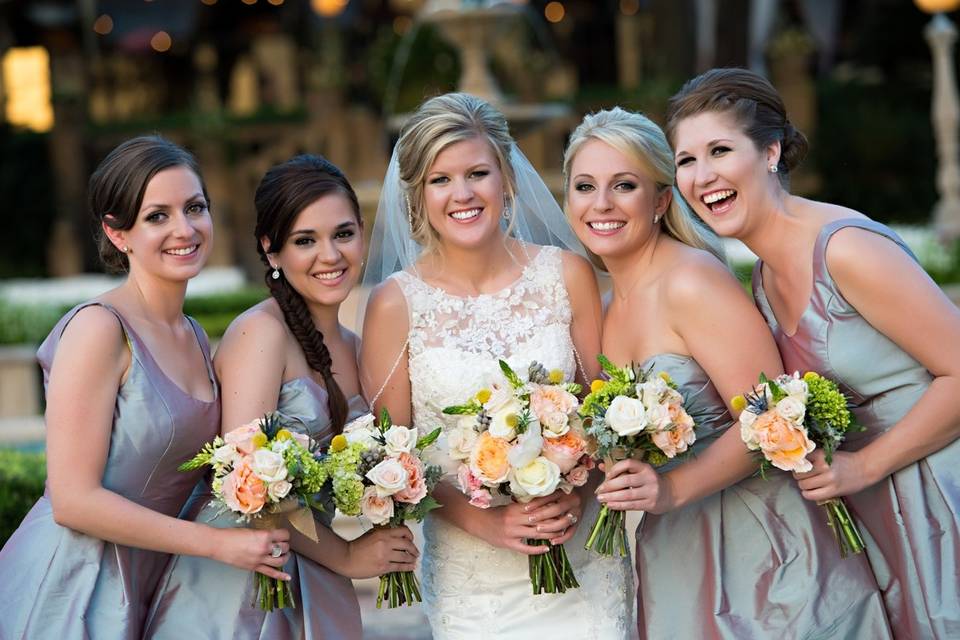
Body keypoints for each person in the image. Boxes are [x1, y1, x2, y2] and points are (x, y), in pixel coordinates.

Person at [567, 107, 891, 639]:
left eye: (623, 185)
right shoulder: (603, 308)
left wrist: (671, 491)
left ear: (661, 200)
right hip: (675, 549)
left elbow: (773, 419)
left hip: (761, 551)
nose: (601, 204)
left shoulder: (691, 281)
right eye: (584, 186)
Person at [667, 67, 960, 639]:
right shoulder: (759, 280)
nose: (703, 176)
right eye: (686, 160)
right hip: (871, 511)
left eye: (720, 150)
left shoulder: (846, 250)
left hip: (937, 498)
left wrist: (864, 465)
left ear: (771, 151)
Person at [360, 93, 634, 639]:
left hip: (581, 559)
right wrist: (486, 519)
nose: (462, 194)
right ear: (418, 192)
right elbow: (393, 459)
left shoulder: (567, 276)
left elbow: (605, 416)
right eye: (440, 179)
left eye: (477, 173)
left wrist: (572, 494)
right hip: (475, 582)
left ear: (506, 177)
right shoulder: (394, 304)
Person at [0, 136, 291, 640]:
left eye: (195, 208)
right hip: (75, 586)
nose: (185, 229)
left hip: (158, 581)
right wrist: (214, 544)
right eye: (158, 215)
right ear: (118, 234)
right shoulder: (99, 329)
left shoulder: (197, 336)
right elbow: (72, 499)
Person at [145, 155, 418, 639]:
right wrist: (349, 556)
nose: (330, 255)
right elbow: (245, 489)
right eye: (305, 241)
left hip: (312, 571)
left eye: (343, 234)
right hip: (242, 585)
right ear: (272, 252)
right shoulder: (261, 334)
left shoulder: (357, 349)